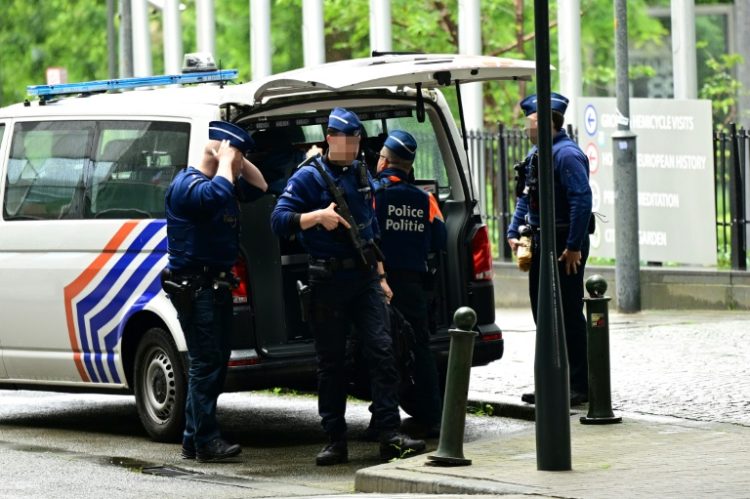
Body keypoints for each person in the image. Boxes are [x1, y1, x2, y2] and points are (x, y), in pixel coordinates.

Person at [270, 107, 425, 466]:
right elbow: (278, 220)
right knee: (331, 363)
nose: (354, 146)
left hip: (364, 276)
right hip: (327, 280)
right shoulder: (308, 177)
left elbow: (370, 230)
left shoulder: (360, 172)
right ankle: (334, 439)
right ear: (330, 138)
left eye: (357, 139)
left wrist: (382, 276)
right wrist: (316, 217)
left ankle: (389, 433)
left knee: (383, 351)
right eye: (348, 139)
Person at [164, 121, 267, 462]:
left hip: (216, 287)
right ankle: (204, 440)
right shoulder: (187, 186)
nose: (237, 167)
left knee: (214, 364)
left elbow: (260, 185)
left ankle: (194, 438)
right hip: (198, 290)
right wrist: (224, 158)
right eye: (237, 157)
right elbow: (216, 196)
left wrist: (236, 156)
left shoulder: (223, 181)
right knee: (205, 364)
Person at [506, 92, 593, 407]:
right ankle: (551, 381)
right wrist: (515, 229)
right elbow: (526, 195)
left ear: (544, 123)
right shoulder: (537, 153)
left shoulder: (566, 155)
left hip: (561, 246)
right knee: (543, 315)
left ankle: (579, 385)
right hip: (542, 242)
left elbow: (581, 201)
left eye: (530, 123)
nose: (526, 128)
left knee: (567, 314)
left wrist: (572, 246)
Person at [372, 130, 446, 436]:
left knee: (381, 350)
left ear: (385, 160)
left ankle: (383, 420)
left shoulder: (375, 195)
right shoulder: (425, 199)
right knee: (420, 346)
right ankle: (432, 416)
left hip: (380, 285)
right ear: (409, 166)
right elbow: (440, 238)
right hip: (414, 284)